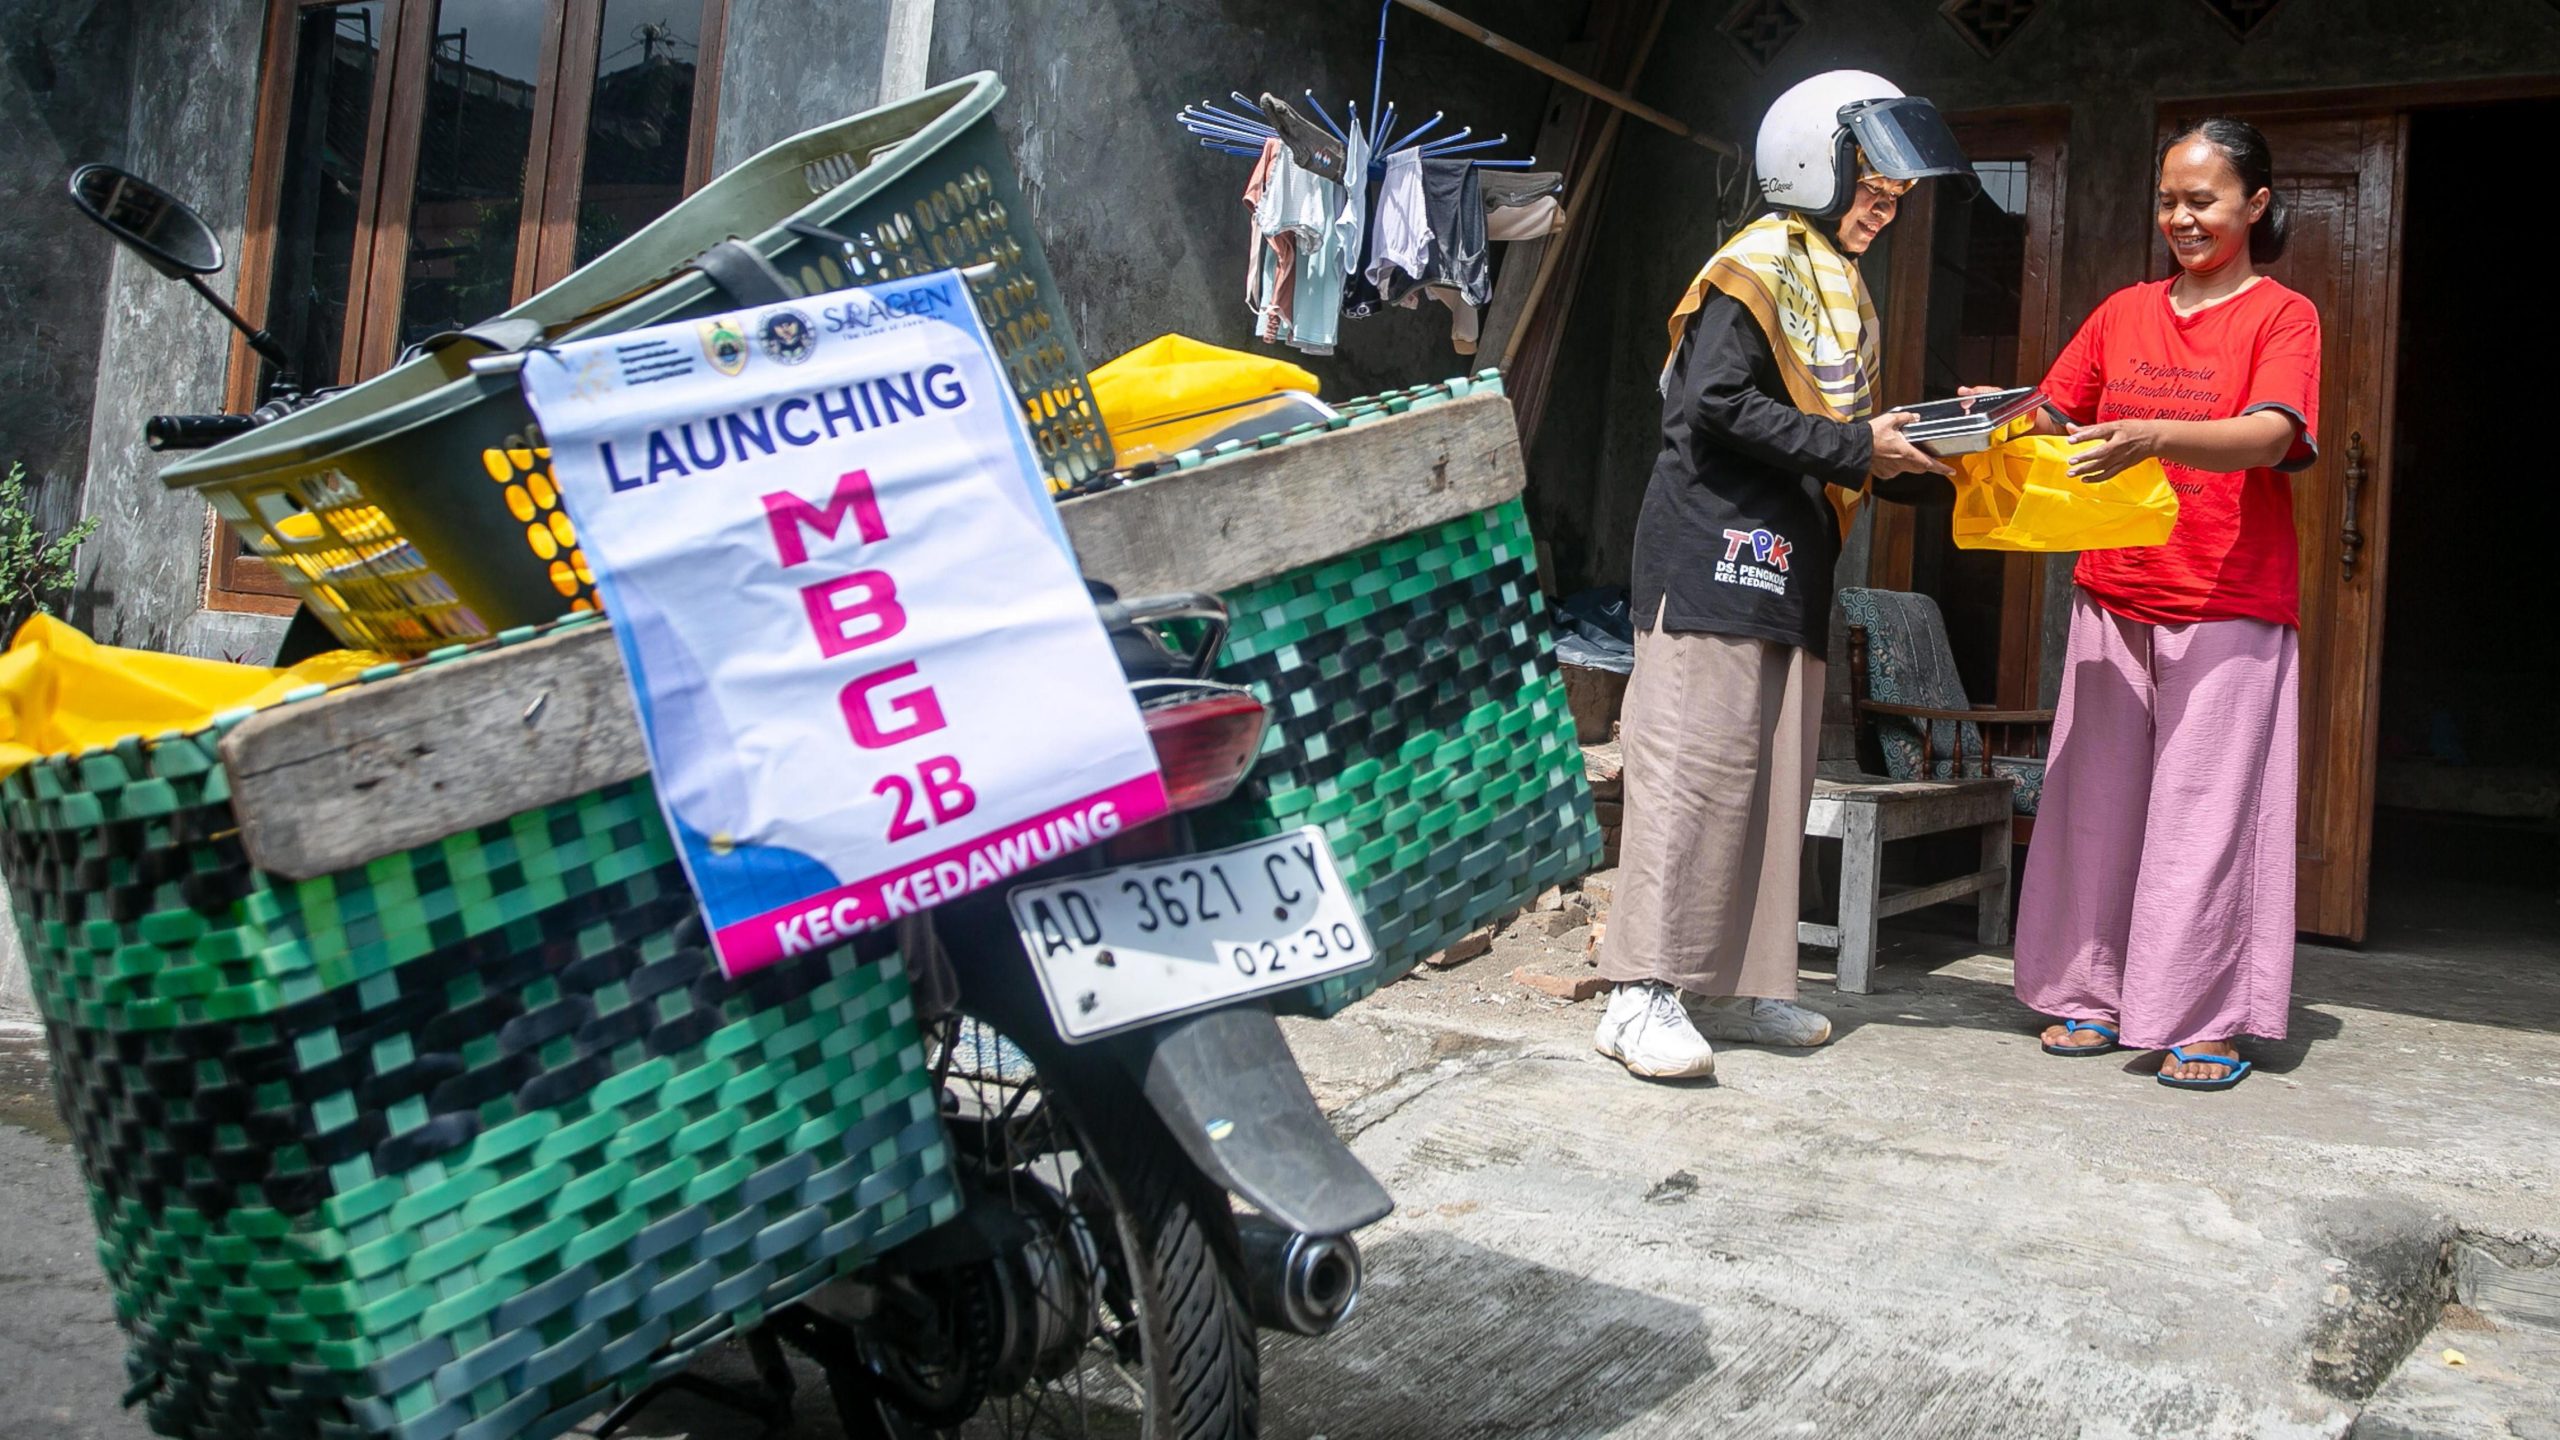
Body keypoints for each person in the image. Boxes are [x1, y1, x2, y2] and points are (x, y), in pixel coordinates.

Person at [1592, 72, 1969, 1080]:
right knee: (1692, 772)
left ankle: (1743, 988)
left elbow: (1840, 445)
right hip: (1711, 556)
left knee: (1768, 783)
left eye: (1896, 197)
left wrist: (1953, 457)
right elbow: (1713, 404)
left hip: (1792, 566)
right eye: (1872, 187)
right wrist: (1856, 447)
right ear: (1813, 163)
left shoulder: (1838, 291)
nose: (1884, 209)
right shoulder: (1755, 266)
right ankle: (1639, 993)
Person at [1995, 117, 2321, 1091]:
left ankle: (2203, 1018)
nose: (2180, 217)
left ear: (2255, 205)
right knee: (2092, 805)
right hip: (2113, 589)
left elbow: (2272, 435)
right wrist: (1996, 413)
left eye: (2202, 200)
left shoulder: (2282, 315)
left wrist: (2153, 435)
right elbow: (2056, 411)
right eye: (2168, 200)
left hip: (2229, 598)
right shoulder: (2122, 312)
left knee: (2204, 817)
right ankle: (2087, 993)